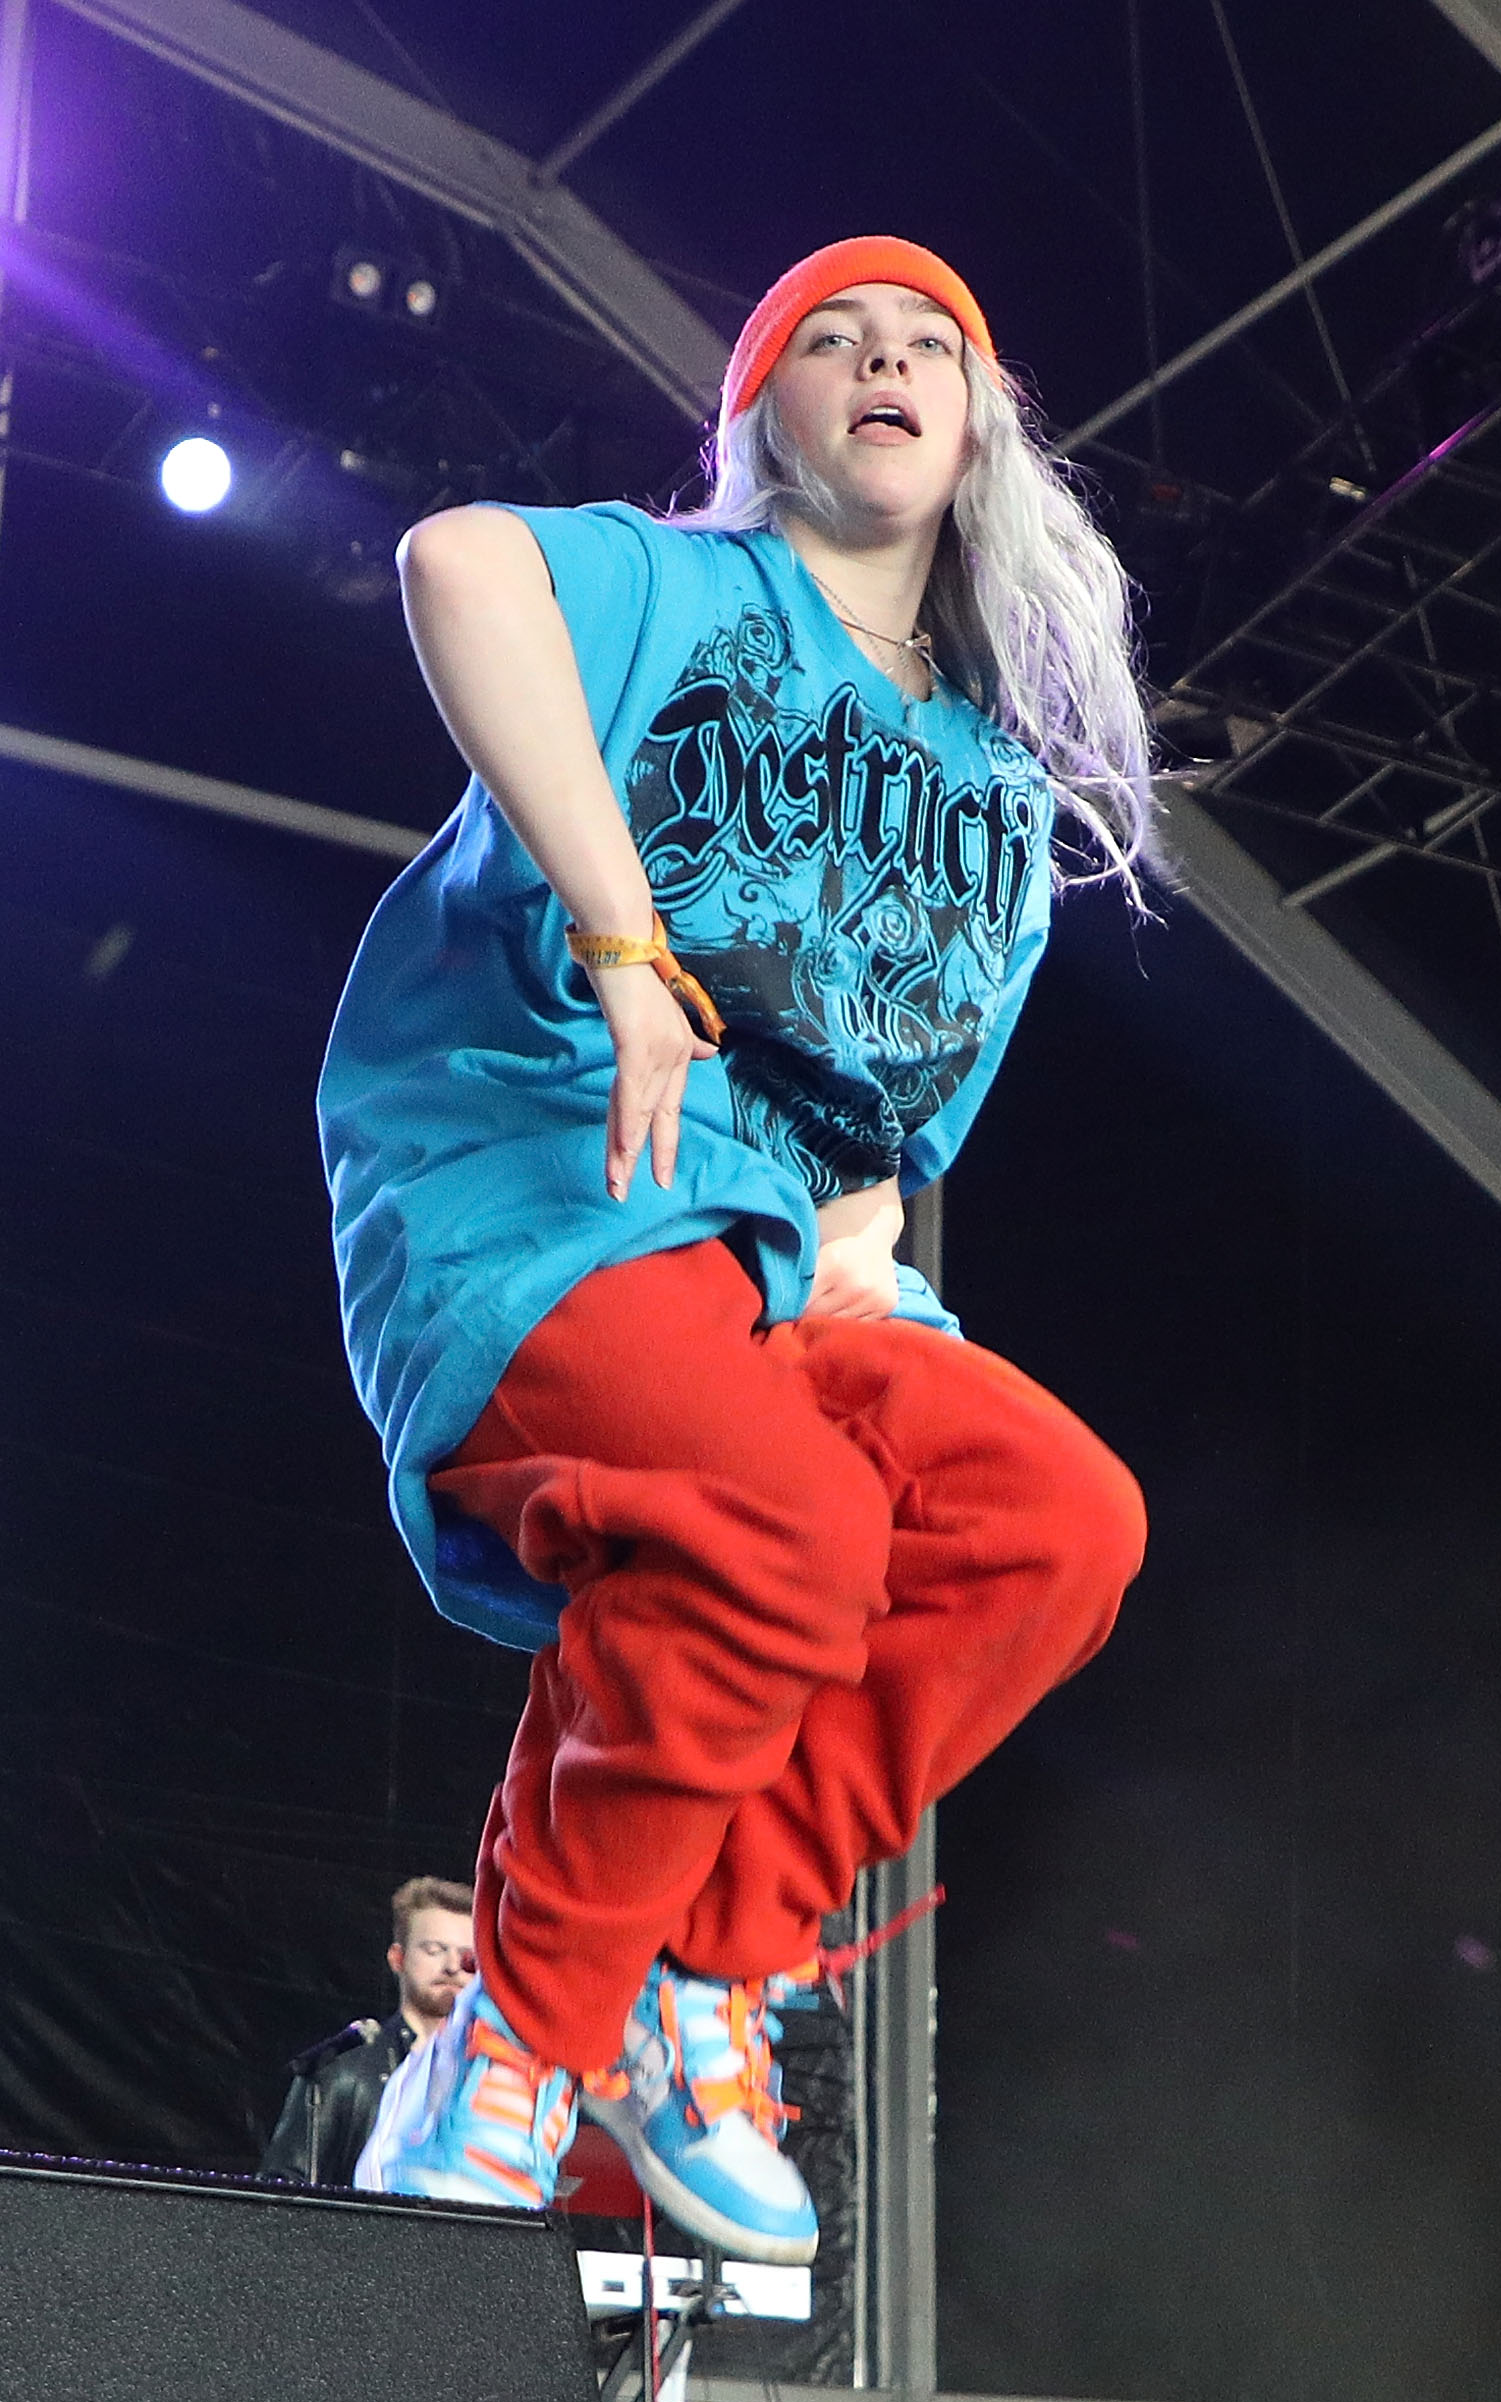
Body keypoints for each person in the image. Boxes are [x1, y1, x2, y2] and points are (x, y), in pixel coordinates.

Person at [323, 235, 1154, 2263]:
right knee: (776, 1513)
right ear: (759, 418)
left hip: (759, 1256)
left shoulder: (987, 799)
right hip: (535, 1182)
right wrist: (619, 933)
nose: (879, 362)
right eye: (826, 342)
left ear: (974, 435)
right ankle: (514, 2031)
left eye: (924, 346)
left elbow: (868, 1165)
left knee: (1048, 1518)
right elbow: (454, 567)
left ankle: (705, 1965)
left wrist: (875, 1300)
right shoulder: (679, 587)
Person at [261, 1875, 474, 2186]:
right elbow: (281, 2188)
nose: (453, 1966)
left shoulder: (490, 2076)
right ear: (397, 1958)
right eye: (434, 1949)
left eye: (468, 1957)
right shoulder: (345, 2071)